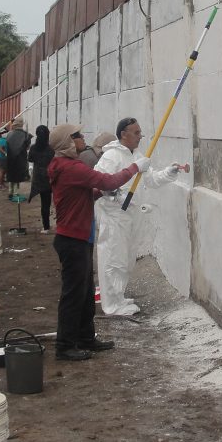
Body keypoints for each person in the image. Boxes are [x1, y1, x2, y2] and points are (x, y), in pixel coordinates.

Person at [47, 123, 151, 361]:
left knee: (84, 294)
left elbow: (84, 194)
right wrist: (135, 167)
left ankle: (85, 338)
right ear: (67, 143)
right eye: (77, 136)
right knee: (73, 295)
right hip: (72, 239)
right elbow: (109, 180)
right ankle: (65, 346)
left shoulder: (63, 166)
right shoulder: (72, 167)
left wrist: (98, 194)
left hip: (79, 237)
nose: (82, 138)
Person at [94, 118, 189, 316]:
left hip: (130, 217)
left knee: (127, 259)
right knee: (114, 258)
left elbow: (151, 180)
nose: (140, 137)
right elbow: (99, 184)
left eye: (140, 133)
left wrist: (169, 172)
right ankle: (111, 304)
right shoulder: (111, 156)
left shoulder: (136, 155)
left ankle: (118, 297)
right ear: (123, 134)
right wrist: (114, 196)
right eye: (136, 133)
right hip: (115, 217)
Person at [27, 125, 54, 233]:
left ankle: (46, 227)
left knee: (45, 204)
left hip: (39, 177)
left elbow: (30, 159)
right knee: (54, 201)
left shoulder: (34, 148)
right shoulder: (51, 149)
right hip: (50, 176)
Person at [4, 118, 32, 199]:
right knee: (17, 176)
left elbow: (7, 146)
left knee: (11, 175)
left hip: (10, 158)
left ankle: (10, 191)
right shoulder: (26, 135)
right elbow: (27, 147)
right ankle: (15, 193)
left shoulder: (9, 134)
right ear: (22, 124)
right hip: (20, 158)